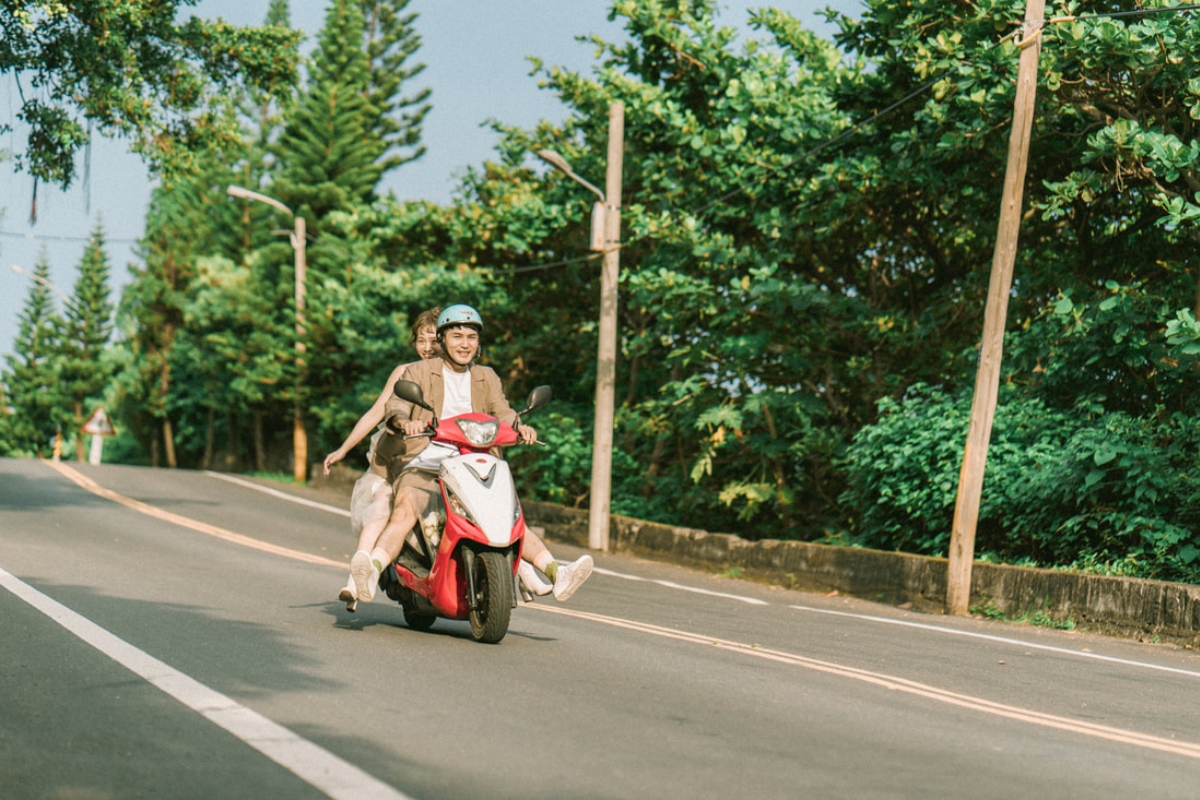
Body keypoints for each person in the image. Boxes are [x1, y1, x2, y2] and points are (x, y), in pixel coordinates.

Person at [330, 304, 592, 610]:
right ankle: (371, 571)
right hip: (425, 461)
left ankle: (556, 572)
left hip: (474, 460)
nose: (465, 343)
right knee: (404, 510)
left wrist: (521, 427)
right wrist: (405, 422)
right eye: (457, 336)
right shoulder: (418, 372)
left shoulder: (487, 376)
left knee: (508, 517)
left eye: (471, 337)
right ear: (442, 340)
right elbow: (396, 406)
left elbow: (503, 411)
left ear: (479, 343)